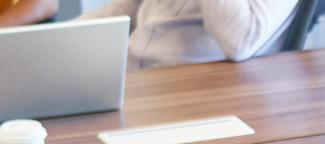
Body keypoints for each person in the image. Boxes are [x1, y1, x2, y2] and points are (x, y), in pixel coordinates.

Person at [77, 0, 297, 70]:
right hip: (132, 74)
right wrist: (68, 35)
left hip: (198, 89)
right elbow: (130, 6)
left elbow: (240, 40)